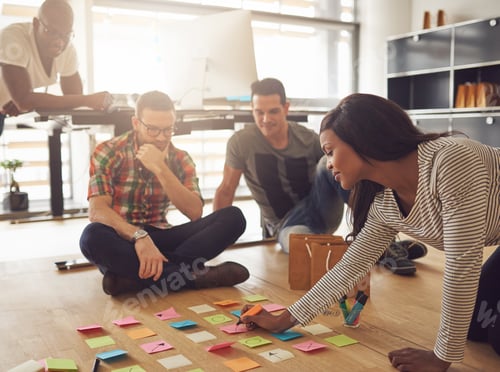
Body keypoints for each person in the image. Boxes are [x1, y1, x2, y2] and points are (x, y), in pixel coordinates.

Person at [238, 93, 500, 371]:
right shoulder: (384, 203)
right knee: (476, 323)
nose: (328, 164)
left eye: (329, 151)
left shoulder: (450, 160)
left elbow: (463, 264)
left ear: (361, 139)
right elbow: (350, 268)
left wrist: (441, 357)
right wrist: (285, 319)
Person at [213, 78, 426, 275]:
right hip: (287, 225)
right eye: (259, 112)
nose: (266, 119)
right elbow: (226, 188)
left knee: (329, 162)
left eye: (273, 111)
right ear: (252, 110)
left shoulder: (308, 138)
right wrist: (214, 240)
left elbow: (340, 173)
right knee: (304, 248)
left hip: (319, 206)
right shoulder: (240, 143)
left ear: (286, 109)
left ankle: (379, 239)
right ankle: (377, 246)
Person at [79, 90, 249, 296]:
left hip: (163, 236)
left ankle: (131, 279)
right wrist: (138, 236)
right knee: (91, 236)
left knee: (233, 217)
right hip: (124, 238)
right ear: (136, 123)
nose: (161, 138)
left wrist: (160, 167)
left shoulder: (181, 158)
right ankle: (193, 277)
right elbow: (97, 211)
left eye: (168, 130)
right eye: (152, 129)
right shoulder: (108, 151)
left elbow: (194, 212)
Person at [0, 0, 112, 136]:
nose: (59, 42)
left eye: (66, 35)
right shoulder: (13, 39)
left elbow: (74, 95)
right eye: (51, 32)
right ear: (36, 24)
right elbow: (24, 101)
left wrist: (29, 100)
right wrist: (87, 99)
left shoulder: (67, 49)